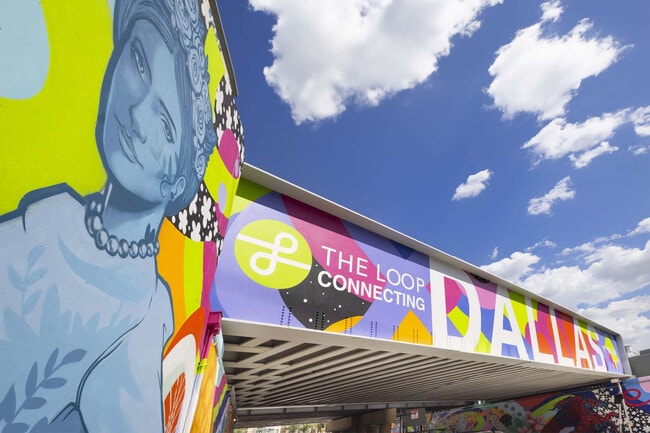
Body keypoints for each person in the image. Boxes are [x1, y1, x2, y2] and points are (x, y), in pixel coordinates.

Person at [0, 0, 216, 431]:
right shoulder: (53, 213)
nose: (135, 114)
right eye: (139, 60)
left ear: (177, 184)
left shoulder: (143, 316)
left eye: (166, 126)